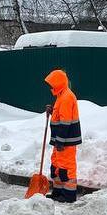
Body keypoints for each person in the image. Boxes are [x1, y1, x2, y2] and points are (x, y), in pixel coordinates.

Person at [44, 69, 81, 203]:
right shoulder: (61, 96)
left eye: (52, 84)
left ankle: (69, 195)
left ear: (58, 83)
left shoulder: (66, 97)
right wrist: (52, 109)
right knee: (56, 166)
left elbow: (66, 122)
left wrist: (60, 141)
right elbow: (60, 115)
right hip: (60, 140)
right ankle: (58, 192)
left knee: (66, 168)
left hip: (66, 141)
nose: (50, 87)